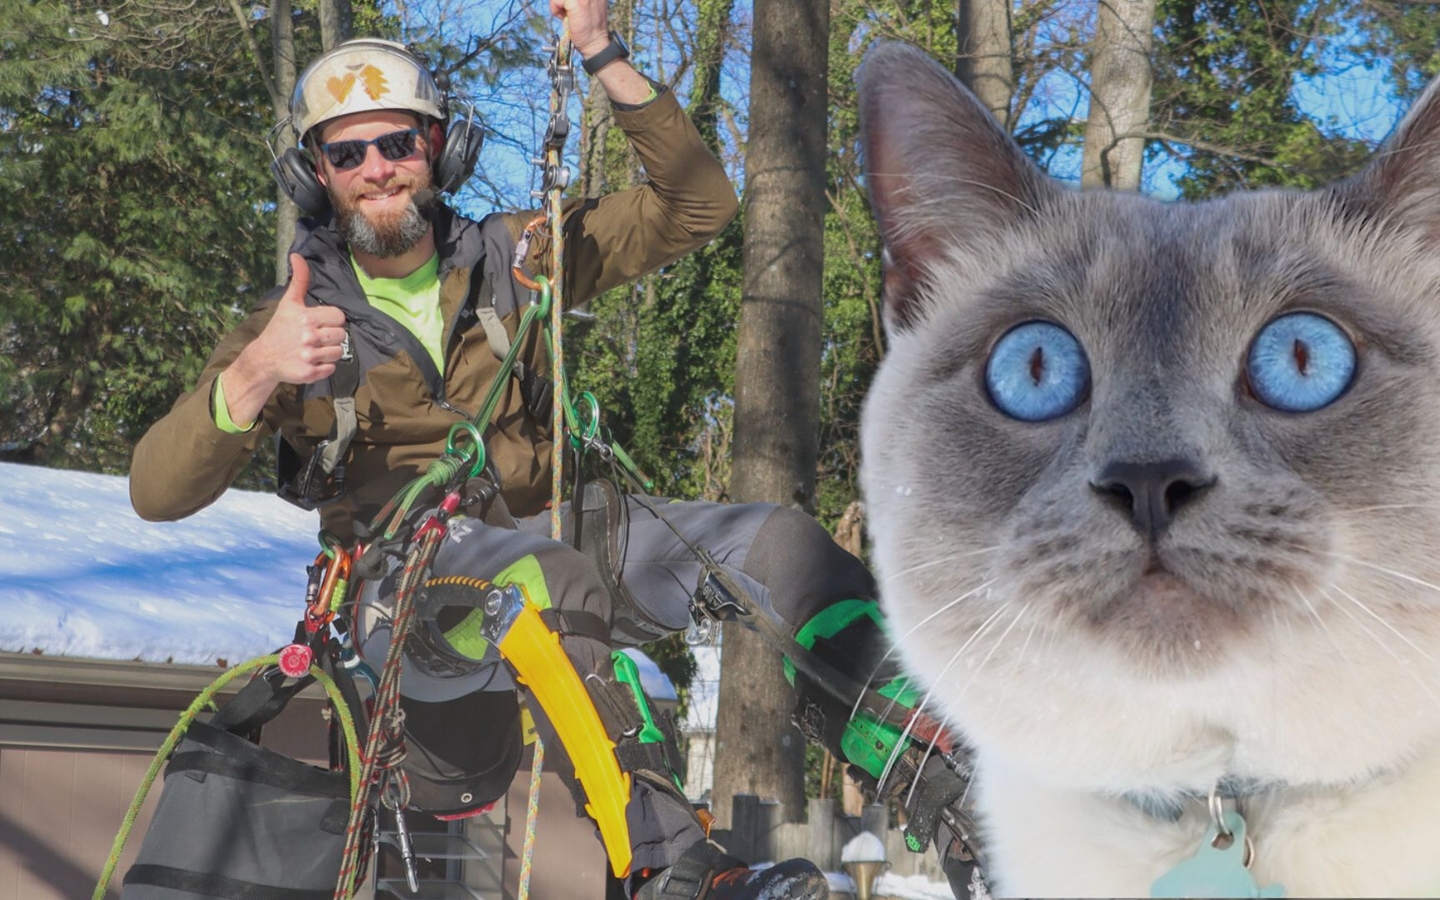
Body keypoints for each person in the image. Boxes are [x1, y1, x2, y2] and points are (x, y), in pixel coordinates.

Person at [128, 3, 956, 899]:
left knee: (780, 545)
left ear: (438, 147)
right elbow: (156, 491)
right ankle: (672, 872)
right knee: (541, 574)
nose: (376, 170)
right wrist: (252, 377)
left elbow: (699, 206)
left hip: (565, 529)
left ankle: (945, 773)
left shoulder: (516, 255)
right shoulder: (287, 324)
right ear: (315, 173)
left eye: (397, 143)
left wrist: (600, 48)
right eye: (346, 153)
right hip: (407, 591)